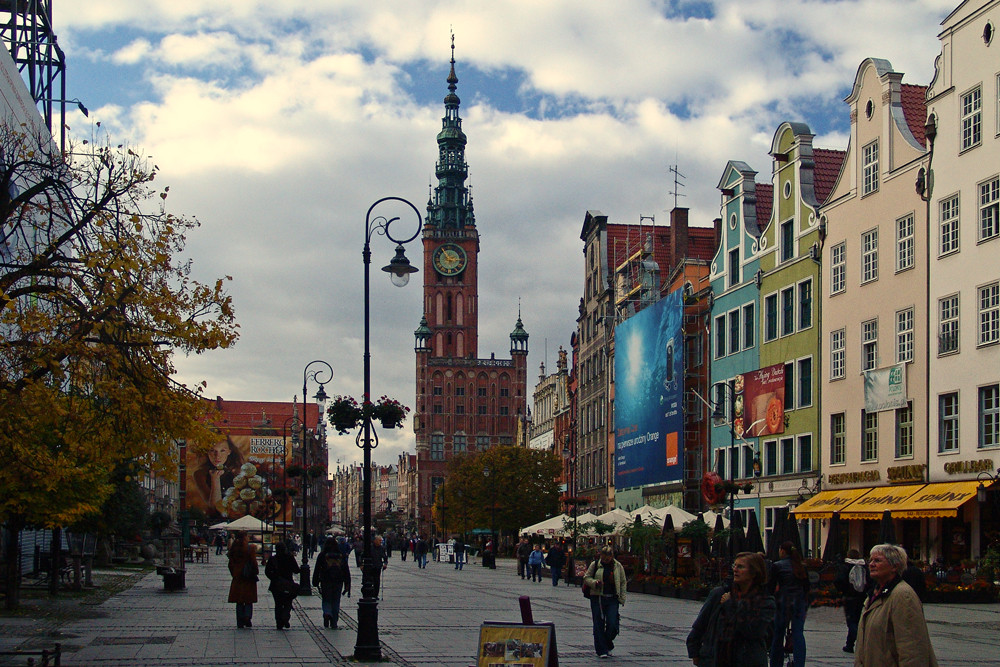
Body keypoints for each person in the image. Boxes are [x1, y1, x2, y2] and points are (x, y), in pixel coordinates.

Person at [854, 544, 938, 667]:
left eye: (877, 560)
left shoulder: (902, 595)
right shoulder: (874, 594)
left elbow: (912, 647)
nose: (871, 564)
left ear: (894, 566)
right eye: (870, 560)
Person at [687, 551, 776, 667]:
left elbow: (754, 631)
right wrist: (695, 652)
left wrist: (731, 605)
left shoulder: (765, 602)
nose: (735, 569)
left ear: (754, 572)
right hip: (715, 659)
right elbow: (700, 625)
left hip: (747, 661)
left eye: (741, 567)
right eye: (734, 566)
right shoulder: (719, 594)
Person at [767, 541, 809, 667]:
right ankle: (799, 663)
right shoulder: (802, 566)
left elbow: (771, 587)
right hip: (799, 603)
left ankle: (776, 663)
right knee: (798, 633)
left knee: (778, 634)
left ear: (782, 551)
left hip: (783, 602)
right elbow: (807, 587)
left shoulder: (777, 566)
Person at [583, 546, 627, 659]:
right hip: (597, 598)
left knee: (612, 624)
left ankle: (607, 643)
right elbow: (586, 577)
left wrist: (622, 598)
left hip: (612, 598)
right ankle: (601, 650)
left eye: (608, 557)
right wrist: (594, 582)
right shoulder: (595, 564)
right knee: (598, 624)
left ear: (612, 556)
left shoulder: (617, 566)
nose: (606, 559)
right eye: (604, 557)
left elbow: (622, 582)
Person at [193, 437, 244, 520]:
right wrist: (215, 479)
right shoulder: (200, 474)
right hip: (213, 520)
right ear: (207, 452)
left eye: (222, 450)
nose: (217, 456)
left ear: (229, 452)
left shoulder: (238, 472)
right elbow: (214, 506)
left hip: (236, 519)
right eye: (213, 451)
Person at [834, 548, 869, 653]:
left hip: (849, 597)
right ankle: (850, 644)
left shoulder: (845, 566)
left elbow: (838, 580)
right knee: (858, 619)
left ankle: (854, 641)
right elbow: (871, 581)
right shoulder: (865, 566)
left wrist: (843, 590)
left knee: (851, 621)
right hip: (861, 597)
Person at [313, 539, 351, 628]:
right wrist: (347, 583)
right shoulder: (340, 555)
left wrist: (315, 581)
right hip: (338, 581)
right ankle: (334, 621)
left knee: (326, 599)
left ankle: (327, 613)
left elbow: (317, 568)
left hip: (325, 580)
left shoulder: (322, 555)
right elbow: (346, 569)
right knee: (336, 600)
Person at [264, 542, 300, 630]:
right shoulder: (289, 558)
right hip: (288, 584)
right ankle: (285, 617)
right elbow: (296, 570)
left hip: (276, 585)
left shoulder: (273, 559)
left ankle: (279, 622)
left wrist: (273, 577)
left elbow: (267, 571)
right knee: (288, 602)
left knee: (278, 604)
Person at [227, 532, 258, 628]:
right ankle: (247, 617)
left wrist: (234, 573)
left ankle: (240, 620)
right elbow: (253, 562)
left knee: (239, 600)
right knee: (248, 599)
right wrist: (255, 572)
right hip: (248, 577)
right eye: (247, 536)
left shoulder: (233, 549)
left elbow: (230, 564)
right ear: (244, 537)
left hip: (237, 577)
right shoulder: (250, 548)